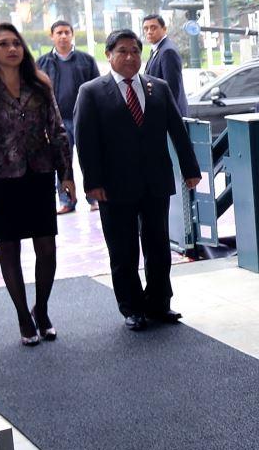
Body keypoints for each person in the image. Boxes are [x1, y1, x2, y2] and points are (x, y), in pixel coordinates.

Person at [75, 29, 202, 331]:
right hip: (113, 187)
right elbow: (85, 141)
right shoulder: (92, 92)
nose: (130, 57)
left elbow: (177, 131)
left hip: (155, 182)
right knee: (123, 249)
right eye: (122, 51)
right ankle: (131, 307)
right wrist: (92, 183)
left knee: (158, 246)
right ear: (108, 54)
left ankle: (159, 303)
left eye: (135, 51)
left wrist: (190, 169)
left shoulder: (157, 87)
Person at [0, 23, 74, 347]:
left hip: (38, 175)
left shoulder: (39, 83)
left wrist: (66, 175)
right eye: (3, 44)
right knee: (9, 249)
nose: (12, 49)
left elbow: (58, 131)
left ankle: (43, 309)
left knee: (47, 247)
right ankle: (23, 315)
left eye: (16, 44)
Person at [36, 19, 99, 213]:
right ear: (52, 36)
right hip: (56, 122)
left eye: (66, 32)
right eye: (59, 33)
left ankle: (94, 197)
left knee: (89, 159)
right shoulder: (42, 63)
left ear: (72, 35)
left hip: (83, 120)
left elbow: (97, 88)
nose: (63, 36)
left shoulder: (86, 60)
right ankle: (66, 200)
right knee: (62, 162)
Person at [141, 14, 190, 113]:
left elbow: (171, 88)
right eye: (146, 29)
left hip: (168, 115)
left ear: (164, 29)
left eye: (153, 28)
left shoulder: (168, 51)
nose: (149, 32)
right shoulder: (157, 49)